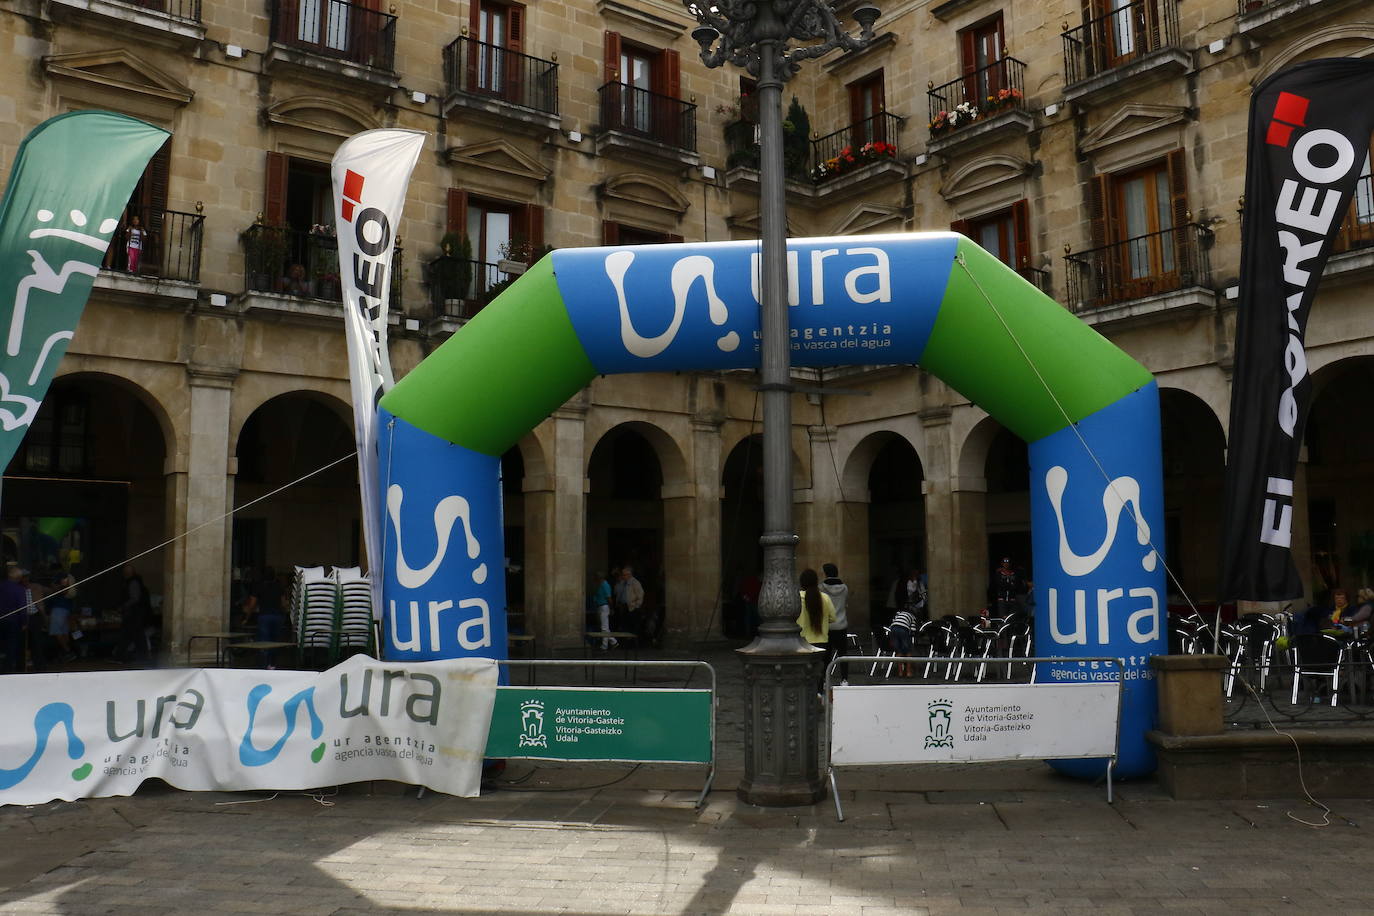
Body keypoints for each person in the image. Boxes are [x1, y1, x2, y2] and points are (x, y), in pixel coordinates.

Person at [819, 563, 850, 685]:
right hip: (841, 624)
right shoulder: (845, 588)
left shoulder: (821, 588)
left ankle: (825, 679)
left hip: (827, 625)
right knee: (843, 654)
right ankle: (844, 679)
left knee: (826, 655)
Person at [118, 564, 152, 664]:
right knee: (131, 635)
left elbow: (135, 598)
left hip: (134, 614)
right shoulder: (132, 582)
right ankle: (122, 655)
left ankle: (139, 657)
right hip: (134, 614)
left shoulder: (133, 583)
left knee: (136, 635)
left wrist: (124, 606)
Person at [0, 564, 27, 673]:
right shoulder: (20, 589)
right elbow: (22, 607)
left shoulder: (1, 586)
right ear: (18, 578)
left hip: (1, 619)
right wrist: (24, 622)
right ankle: (8, 669)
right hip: (13, 621)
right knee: (11, 646)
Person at [46, 573, 76, 662]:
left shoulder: (63, 589)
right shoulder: (71, 590)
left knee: (58, 632)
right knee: (64, 633)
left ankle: (68, 652)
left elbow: (54, 588)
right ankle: (65, 653)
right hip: (66, 611)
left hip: (58, 611)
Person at [613, 565, 644, 637]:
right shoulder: (623, 583)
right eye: (623, 575)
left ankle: (632, 642)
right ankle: (626, 640)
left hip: (632, 607)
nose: (623, 576)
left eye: (624, 575)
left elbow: (640, 595)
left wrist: (637, 605)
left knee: (632, 625)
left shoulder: (635, 582)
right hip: (623, 606)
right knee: (625, 625)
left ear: (629, 575)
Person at [590, 571, 617, 649]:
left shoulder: (605, 585)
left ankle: (606, 645)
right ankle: (613, 642)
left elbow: (609, 598)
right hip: (600, 606)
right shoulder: (600, 585)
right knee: (605, 627)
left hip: (604, 607)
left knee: (604, 627)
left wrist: (611, 608)